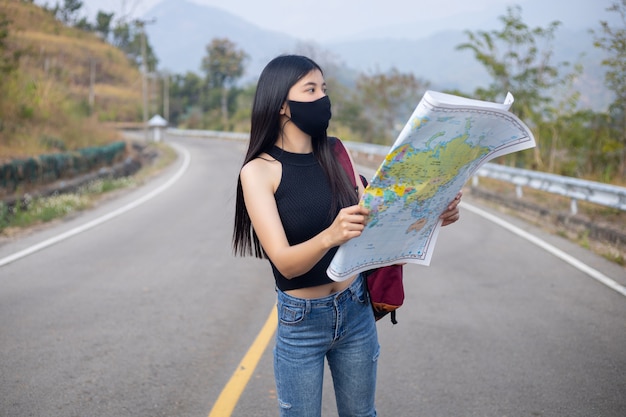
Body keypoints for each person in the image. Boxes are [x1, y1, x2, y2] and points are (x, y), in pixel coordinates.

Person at [233, 54, 461, 417]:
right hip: (301, 321)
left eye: (324, 88)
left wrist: (433, 215)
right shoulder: (259, 172)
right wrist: (331, 235)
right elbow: (286, 264)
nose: (322, 98)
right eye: (310, 89)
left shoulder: (336, 152)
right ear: (281, 105)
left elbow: (374, 224)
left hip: (354, 309)